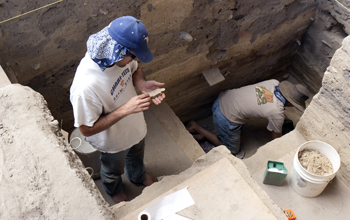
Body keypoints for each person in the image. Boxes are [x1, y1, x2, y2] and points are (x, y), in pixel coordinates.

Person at [70, 16, 165, 204]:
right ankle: (113, 189)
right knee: (112, 169)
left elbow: (135, 69)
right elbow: (86, 129)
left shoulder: (120, 57)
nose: (137, 58)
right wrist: (126, 109)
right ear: (117, 51)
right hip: (113, 142)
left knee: (137, 157)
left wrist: (142, 84)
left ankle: (138, 176)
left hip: (135, 127)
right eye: (134, 54)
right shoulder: (85, 87)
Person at [186, 79, 309, 157]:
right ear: (291, 103)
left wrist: (282, 119)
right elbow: (276, 138)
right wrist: (283, 146)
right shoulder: (276, 113)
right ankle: (197, 128)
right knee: (232, 151)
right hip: (226, 116)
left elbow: (271, 104)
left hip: (222, 100)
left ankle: (208, 133)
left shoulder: (273, 83)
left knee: (233, 129)